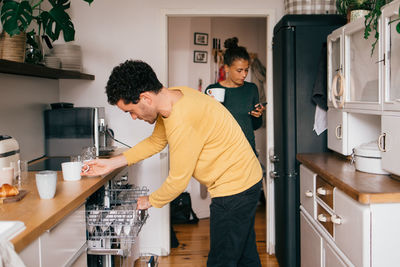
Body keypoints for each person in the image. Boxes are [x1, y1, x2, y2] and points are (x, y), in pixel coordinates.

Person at [84, 60, 263, 267]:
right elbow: (156, 141)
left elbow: (178, 181)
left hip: (235, 190)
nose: (133, 117)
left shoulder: (181, 119)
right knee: (244, 256)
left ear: (145, 98)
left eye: (130, 111)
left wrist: (148, 200)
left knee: (221, 261)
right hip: (245, 181)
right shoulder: (177, 96)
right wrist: (111, 163)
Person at [206, 37, 265, 156]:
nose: (244, 75)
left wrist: (258, 115)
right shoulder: (212, 90)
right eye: (239, 70)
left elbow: (255, 126)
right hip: (221, 154)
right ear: (226, 68)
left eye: (246, 70)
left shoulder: (251, 89)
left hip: (247, 152)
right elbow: (206, 126)